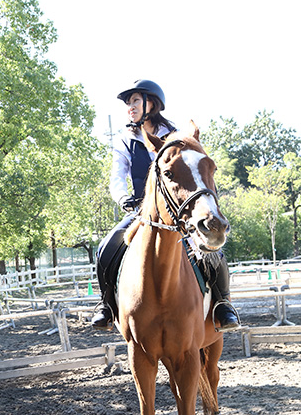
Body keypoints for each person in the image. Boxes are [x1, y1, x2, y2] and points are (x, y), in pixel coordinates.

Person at [90, 79, 240, 332]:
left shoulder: (176, 136)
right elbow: (116, 177)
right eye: (128, 103)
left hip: (178, 210)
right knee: (107, 245)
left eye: (135, 101)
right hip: (141, 210)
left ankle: (223, 304)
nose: (130, 107)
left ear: (152, 103)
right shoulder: (125, 140)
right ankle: (106, 305)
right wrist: (122, 197)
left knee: (212, 251)